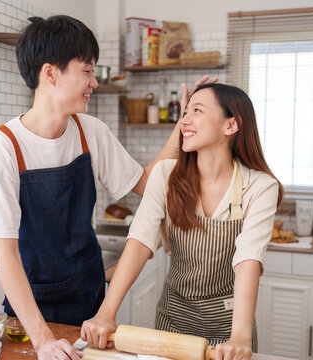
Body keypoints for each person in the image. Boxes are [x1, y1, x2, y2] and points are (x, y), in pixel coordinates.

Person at [0, 15, 214, 360]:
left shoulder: (89, 131)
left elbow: (145, 183)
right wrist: (43, 341)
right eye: (87, 70)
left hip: (89, 300)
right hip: (31, 315)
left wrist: (182, 123)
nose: (94, 82)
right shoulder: (3, 147)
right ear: (50, 73)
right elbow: (5, 254)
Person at [81, 83, 284, 360]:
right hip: (172, 322)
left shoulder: (260, 187)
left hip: (228, 329)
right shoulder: (165, 175)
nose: (184, 120)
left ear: (231, 125)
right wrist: (105, 313)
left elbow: (248, 259)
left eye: (196, 111)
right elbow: (139, 241)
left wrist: (240, 337)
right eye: (185, 112)